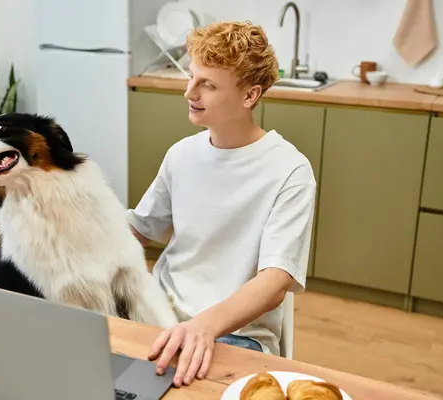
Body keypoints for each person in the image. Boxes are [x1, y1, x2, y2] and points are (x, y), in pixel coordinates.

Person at [127, 21, 316, 388]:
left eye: (207, 84)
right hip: (156, 314)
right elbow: (138, 229)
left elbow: (276, 280)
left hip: (234, 334)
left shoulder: (290, 171)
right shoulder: (182, 154)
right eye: (192, 77)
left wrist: (203, 326)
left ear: (250, 95)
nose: (189, 93)